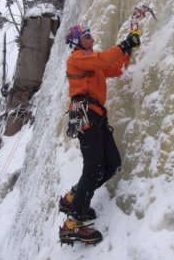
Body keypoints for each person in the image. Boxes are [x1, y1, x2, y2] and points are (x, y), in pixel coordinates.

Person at [59, 24, 140, 245]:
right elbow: (104, 60)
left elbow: (115, 68)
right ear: (77, 42)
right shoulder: (77, 58)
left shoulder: (92, 64)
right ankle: (72, 223)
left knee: (111, 165)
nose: (91, 38)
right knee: (93, 168)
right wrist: (124, 44)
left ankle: (73, 198)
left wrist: (128, 49)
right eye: (86, 36)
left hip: (97, 117)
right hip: (86, 116)